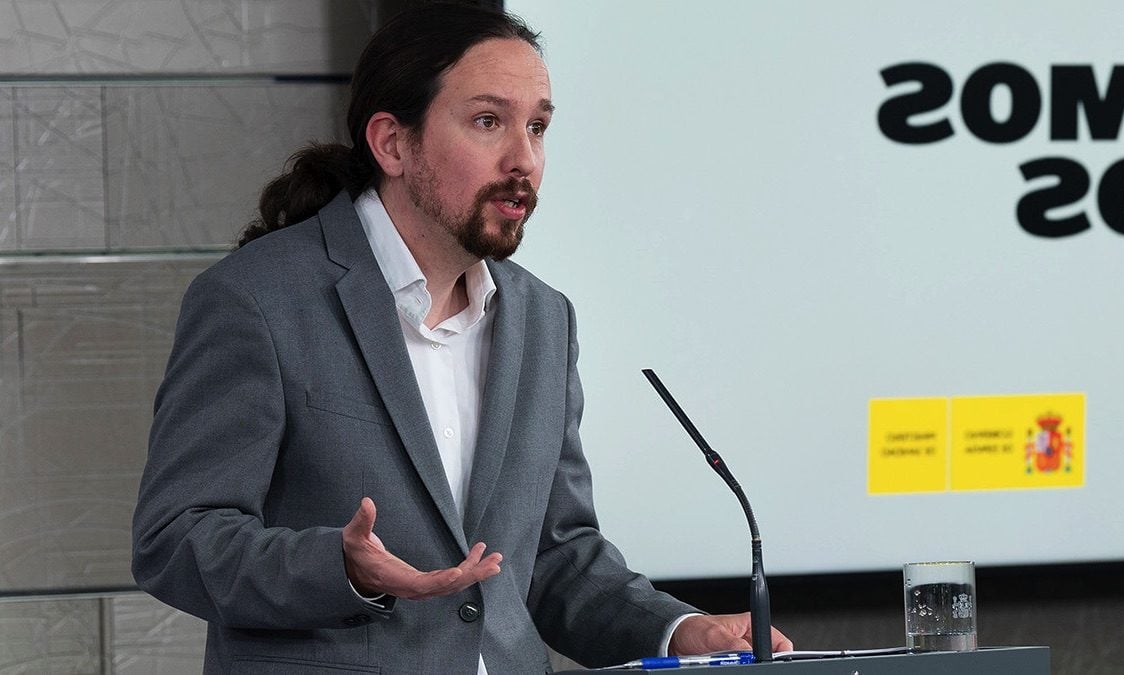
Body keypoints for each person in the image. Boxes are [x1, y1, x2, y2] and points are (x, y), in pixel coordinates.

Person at [131, 3, 792, 673]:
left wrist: (677, 631)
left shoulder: (542, 318)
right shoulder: (257, 298)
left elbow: (556, 557)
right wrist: (340, 566)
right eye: (488, 122)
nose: (524, 159)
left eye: (537, 126)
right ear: (391, 142)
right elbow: (178, 537)